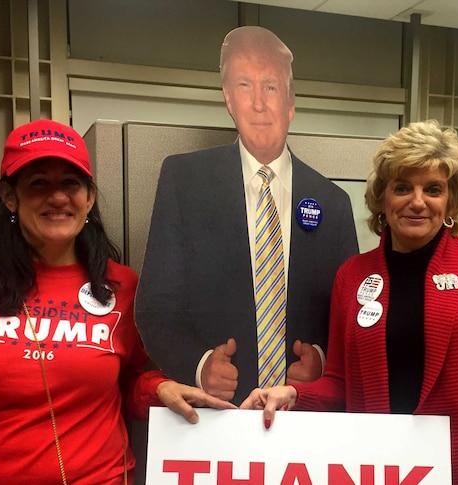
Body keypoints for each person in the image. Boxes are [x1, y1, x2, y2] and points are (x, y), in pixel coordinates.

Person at [0, 119, 234, 484]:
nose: (57, 197)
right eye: (39, 183)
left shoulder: (124, 288)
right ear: (10, 196)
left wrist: (158, 388)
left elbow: (129, 382)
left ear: (89, 196)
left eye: (71, 183)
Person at [241, 120, 458, 485]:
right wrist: (295, 394)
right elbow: (341, 382)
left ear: (450, 200)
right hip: (386, 468)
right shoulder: (352, 276)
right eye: (403, 187)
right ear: (382, 198)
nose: (418, 201)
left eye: (434, 189)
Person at [135, 26, 359, 405]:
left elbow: (351, 318)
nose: (258, 103)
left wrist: (321, 362)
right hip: (214, 419)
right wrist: (200, 364)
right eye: (244, 85)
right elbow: (156, 308)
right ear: (227, 98)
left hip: (303, 418)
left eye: (270, 87)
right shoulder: (183, 182)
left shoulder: (333, 202)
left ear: (291, 102)